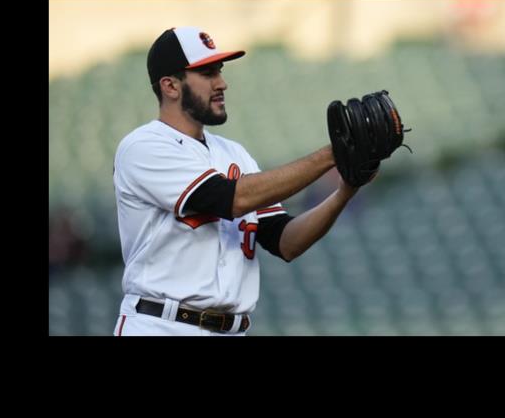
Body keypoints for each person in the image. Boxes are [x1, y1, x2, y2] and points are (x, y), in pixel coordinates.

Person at [112, 27, 368, 336]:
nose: (221, 83)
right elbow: (230, 199)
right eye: (207, 73)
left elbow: (285, 241)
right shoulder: (143, 146)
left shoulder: (234, 154)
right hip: (161, 325)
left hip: (232, 330)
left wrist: (345, 191)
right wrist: (333, 154)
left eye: (219, 71)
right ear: (170, 86)